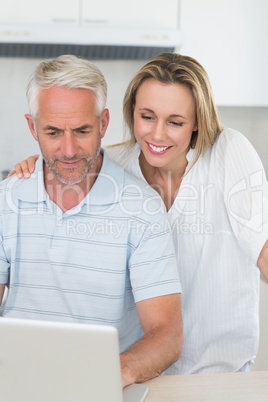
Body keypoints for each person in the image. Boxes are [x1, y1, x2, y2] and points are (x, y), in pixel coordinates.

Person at [12, 52, 268, 375]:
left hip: (220, 375)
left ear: (197, 122)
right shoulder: (116, 165)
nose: (157, 134)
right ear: (131, 112)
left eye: (175, 122)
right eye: (147, 117)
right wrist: (35, 165)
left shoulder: (227, 152)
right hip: (146, 374)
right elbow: (70, 156)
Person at [0, 54, 184, 388]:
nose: (68, 150)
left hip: (105, 385)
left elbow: (167, 334)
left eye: (82, 130)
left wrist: (106, 375)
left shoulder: (142, 208)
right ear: (32, 127)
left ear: (103, 123)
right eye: (53, 132)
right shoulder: (6, 200)